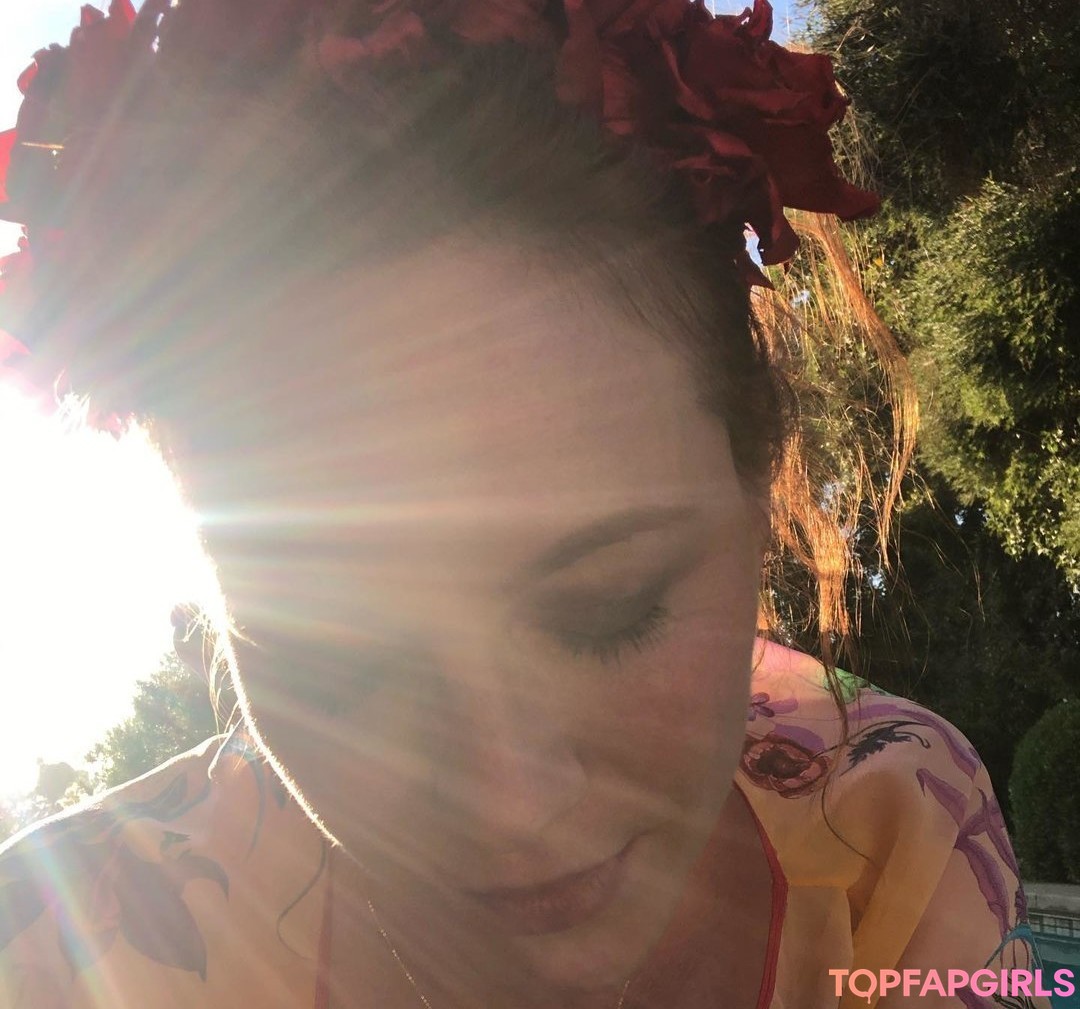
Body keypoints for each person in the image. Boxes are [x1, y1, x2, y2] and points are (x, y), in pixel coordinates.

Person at [0, 1, 1053, 1007]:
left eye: (608, 606)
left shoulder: (897, 818)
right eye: (334, 659)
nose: (510, 806)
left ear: (755, 478)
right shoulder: (64, 952)